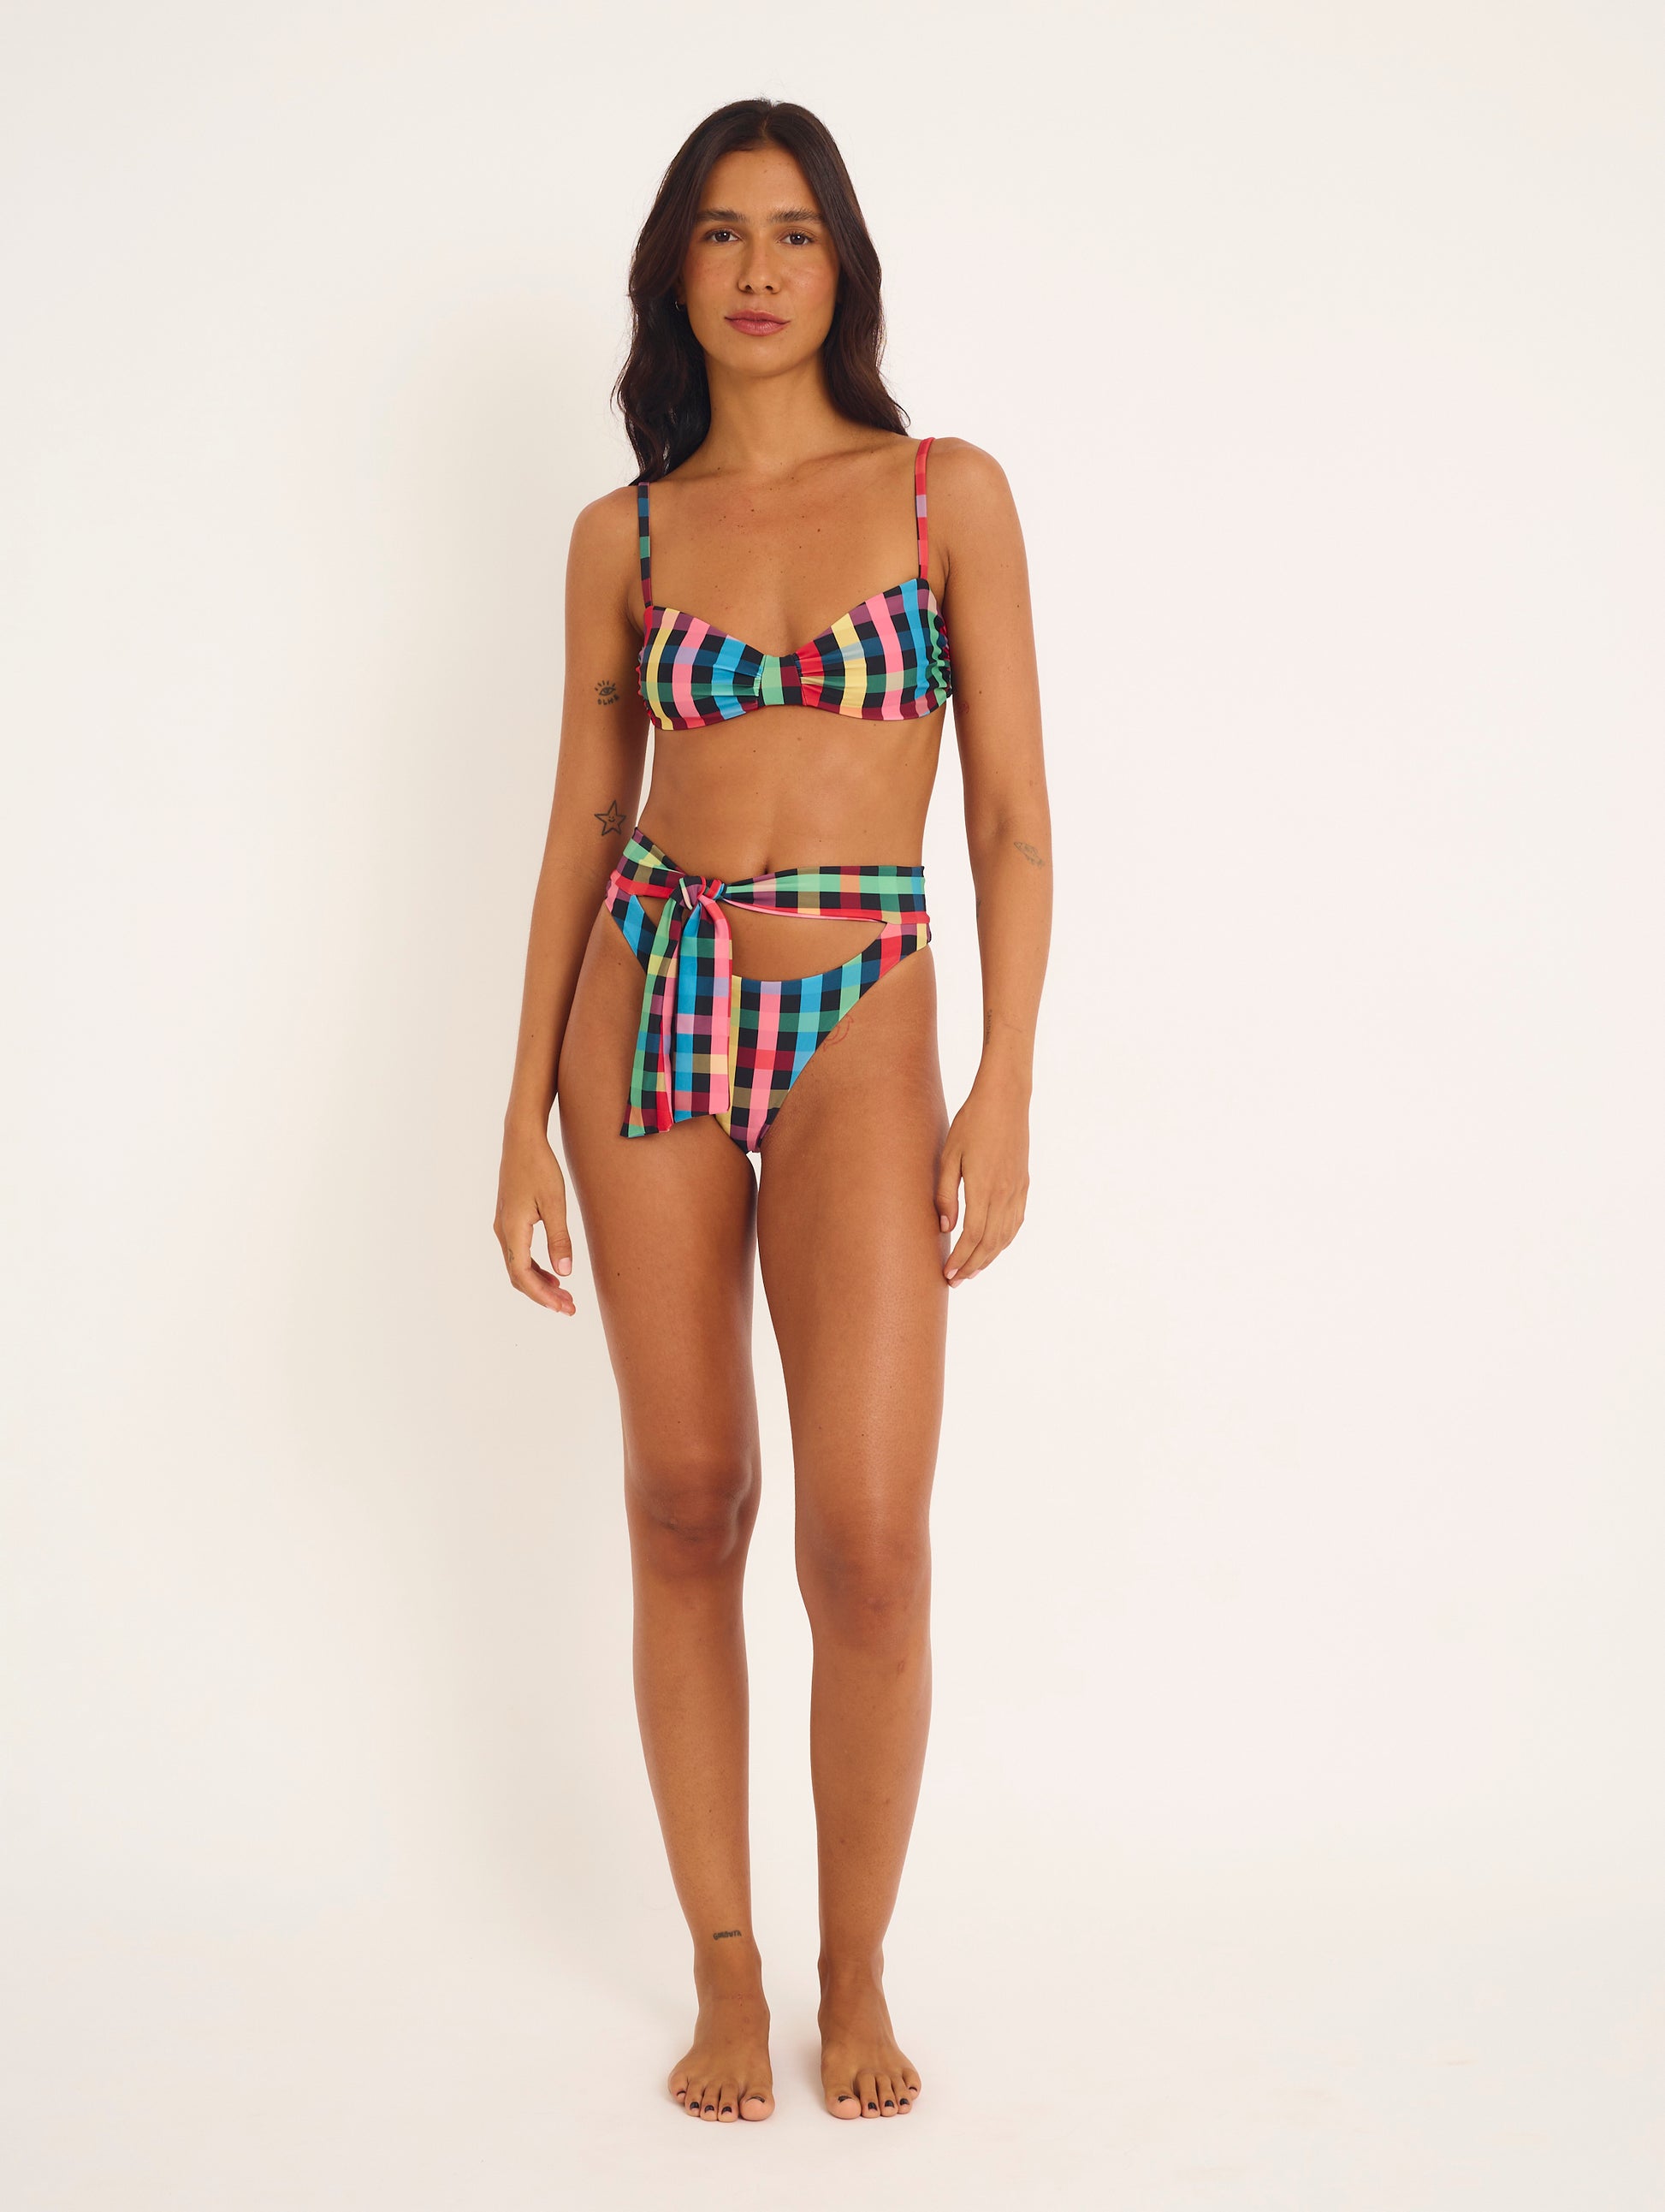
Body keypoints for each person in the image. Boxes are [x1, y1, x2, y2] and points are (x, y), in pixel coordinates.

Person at [494, 97, 1051, 2125]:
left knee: (869, 1540)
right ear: (677, 270)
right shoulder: (624, 538)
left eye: (793, 233)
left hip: (863, 1009)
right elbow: (580, 823)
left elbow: (1008, 819)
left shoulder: (943, 494)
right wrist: (513, 1112)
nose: (755, 269)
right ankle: (724, 1966)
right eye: (721, 234)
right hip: (643, 999)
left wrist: (1004, 1081)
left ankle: (854, 1965)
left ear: (842, 268)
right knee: (684, 1497)